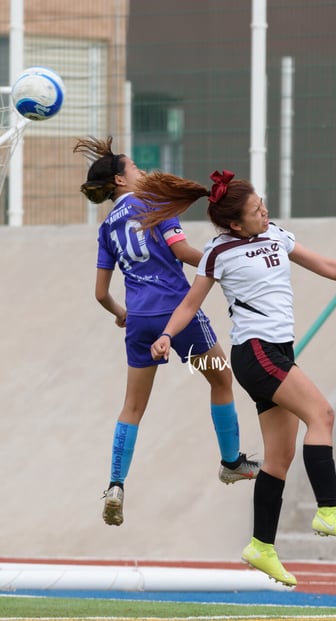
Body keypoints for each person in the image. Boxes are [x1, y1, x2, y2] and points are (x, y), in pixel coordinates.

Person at [133, 168, 336, 587]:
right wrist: (168, 335)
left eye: (263, 205)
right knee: (323, 415)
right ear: (235, 223)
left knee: (279, 459)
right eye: (257, 210)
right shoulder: (217, 253)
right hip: (254, 353)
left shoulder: (275, 234)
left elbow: (323, 264)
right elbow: (190, 303)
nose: (265, 211)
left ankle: (261, 546)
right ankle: (329, 510)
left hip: (278, 351)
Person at [73, 139, 261, 528]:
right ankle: (231, 462)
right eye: (135, 167)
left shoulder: (107, 227)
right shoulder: (153, 204)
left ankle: (115, 484)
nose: (142, 171)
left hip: (141, 322)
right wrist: (225, 257)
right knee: (221, 379)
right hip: (179, 315)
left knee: (133, 407)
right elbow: (180, 250)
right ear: (122, 180)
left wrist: (122, 314)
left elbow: (100, 294)